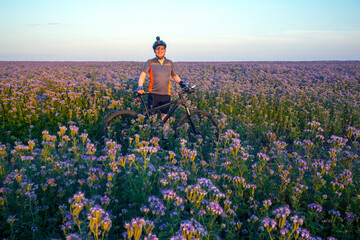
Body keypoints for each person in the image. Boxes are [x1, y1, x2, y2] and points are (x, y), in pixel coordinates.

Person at [137, 36, 188, 137]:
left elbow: (174, 75)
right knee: (153, 119)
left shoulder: (170, 63)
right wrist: (140, 86)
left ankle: (165, 139)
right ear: (155, 51)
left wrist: (182, 83)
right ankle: (152, 139)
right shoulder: (150, 62)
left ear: (165, 50)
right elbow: (143, 75)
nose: (160, 51)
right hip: (153, 94)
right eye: (157, 49)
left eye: (162, 48)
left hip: (166, 94)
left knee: (166, 119)